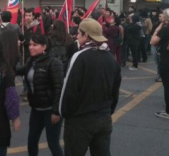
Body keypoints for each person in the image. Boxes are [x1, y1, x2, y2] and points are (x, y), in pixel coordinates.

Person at [60, 18, 121, 156]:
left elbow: (68, 90)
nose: (76, 36)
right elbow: (115, 92)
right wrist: (107, 112)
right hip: (104, 119)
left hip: (80, 120)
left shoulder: (79, 57)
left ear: (86, 35)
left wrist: (65, 114)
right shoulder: (111, 58)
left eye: (79, 33)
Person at [16, 34, 64, 156]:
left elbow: (59, 88)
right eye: (30, 45)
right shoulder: (31, 61)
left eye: (35, 45)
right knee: (31, 142)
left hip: (50, 110)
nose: (31, 47)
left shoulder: (54, 62)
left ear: (44, 47)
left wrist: (56, 112)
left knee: (53, 144)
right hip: (36, 109)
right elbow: (19, 70)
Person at [151, 9, 169, 118]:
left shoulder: (165, 29)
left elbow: (152, 42)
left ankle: (167, 111)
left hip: (166, 61)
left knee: (167, 86)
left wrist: (157, 30)